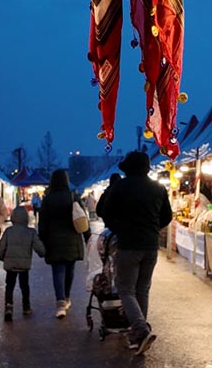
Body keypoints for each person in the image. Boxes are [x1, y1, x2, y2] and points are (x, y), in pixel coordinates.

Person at [96, 150, 172, 355]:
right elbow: (167, 216)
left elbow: (104, 212)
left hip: (128, 244)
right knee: (142, 289)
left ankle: (140, 329)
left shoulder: (120, 186)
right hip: (150, 245)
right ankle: (139, 335)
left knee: (126, 289)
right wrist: (153, 228)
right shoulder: (158, 188)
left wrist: (118, 228)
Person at [38, 169, 90, 318]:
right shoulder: (73, 196)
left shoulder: (48, 199)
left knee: (58, 271)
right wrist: (88, 238)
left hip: (53, 240)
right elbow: (82, 218)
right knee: (69, 270)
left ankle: (60, 303)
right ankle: (67, 297)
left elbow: (43, 223)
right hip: (72, 239)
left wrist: (42, 240)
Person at [0, 206, 46, 321]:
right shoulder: (31, 232)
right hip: (24, 265)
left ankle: (9, 307)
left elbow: (2, 246)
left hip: (10, 265)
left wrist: (2, 257)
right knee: (24, 285)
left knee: (9, 286)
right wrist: (43, 253)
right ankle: (26, 307)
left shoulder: (8, 231)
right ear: (26, 218)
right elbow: (40, 248)